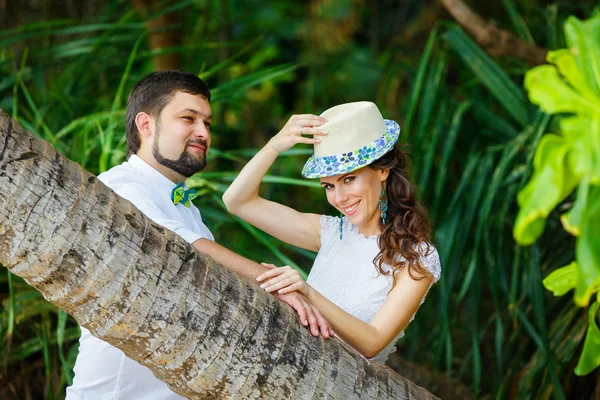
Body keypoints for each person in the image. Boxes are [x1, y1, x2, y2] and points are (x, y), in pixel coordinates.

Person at [66, 70, 331, 400]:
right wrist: (274, 283)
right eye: (188, 118)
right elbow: (189, 248)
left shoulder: (185, 205)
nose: (202, 132)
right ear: (146, 125)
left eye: (207, 123)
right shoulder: (119, 188)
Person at [223, 101, 441, 362]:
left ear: (382, 170)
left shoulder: (418, 257)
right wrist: (275, 145)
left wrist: (308, 293)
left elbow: (372, 342)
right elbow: (237, 201)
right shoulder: (330, 231)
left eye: (349, 179)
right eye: (328, 186)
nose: (339, 198)